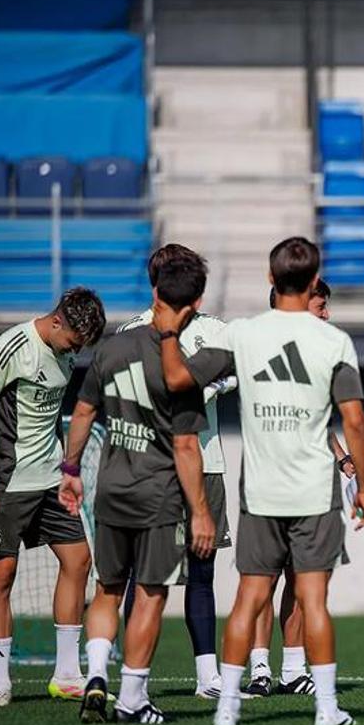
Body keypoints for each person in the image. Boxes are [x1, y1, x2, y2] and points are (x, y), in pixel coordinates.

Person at [154, 236, 364, 725]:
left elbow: (177, 381)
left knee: (249, 597)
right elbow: (355, 421)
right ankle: (326, 710)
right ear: (315, 282)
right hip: (315, 493)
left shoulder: (243, 333)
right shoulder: (333, 340)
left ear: (271, 280)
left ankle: (228, 707)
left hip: (260, 494)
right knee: (313, 600)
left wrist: (168, 332)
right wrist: (363, 487)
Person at [61, 252, 216, 725]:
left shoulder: (110, 347)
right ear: (195, 304)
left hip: (110, 490)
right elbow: (187, 448)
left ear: (154, 293)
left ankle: (96, 677)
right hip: (158, 497)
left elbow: (84, 412)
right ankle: (132, 699)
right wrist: (202, 512)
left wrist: (70, 469)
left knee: (107, 589)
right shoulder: (183, 367)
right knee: (149, 593)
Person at [0, 288, 106, 707]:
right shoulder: (9, 348)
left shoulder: (65, 351)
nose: (75, 350)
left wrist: (67, 472)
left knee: (79, 562)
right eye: (74, 342)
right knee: (1, 578)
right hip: (5, 483)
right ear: (57, 321)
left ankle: (65, 674)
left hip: (50, 482)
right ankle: (1, 681)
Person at [117, 244, 236, 699]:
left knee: (202, 574)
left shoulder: (215, 331)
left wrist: (202, 385)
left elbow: (237, 371)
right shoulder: (132, 330)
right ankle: (133, 681)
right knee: (142, 578)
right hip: (149, 470)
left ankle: (208, 677)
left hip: (206, 465)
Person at [246, 277, 341, 697]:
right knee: (261, 582)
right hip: (269, 483)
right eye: (320, 308)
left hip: (311, 484)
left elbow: (317, 419)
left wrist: (342, 458)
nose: (326, 315)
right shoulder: (260, 349)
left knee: (303, 581)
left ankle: (293, 670)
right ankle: (259, 669)